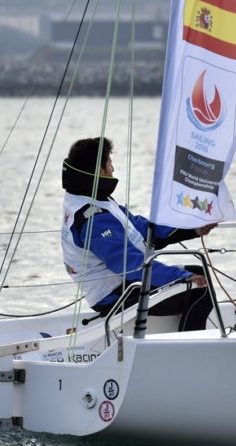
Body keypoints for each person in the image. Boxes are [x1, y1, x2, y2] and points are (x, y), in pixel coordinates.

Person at [61, 137, 216, 330]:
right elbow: (128, 264)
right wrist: (181, 277)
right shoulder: (94, 218)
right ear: (99, 171)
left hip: (123, 282)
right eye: (109, 162)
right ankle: (189, 345)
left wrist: (192, 228)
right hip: (114, 294)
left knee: (199, 272)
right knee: (200, 290)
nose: (113, 168)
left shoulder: (95, 201)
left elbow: (142, 229)